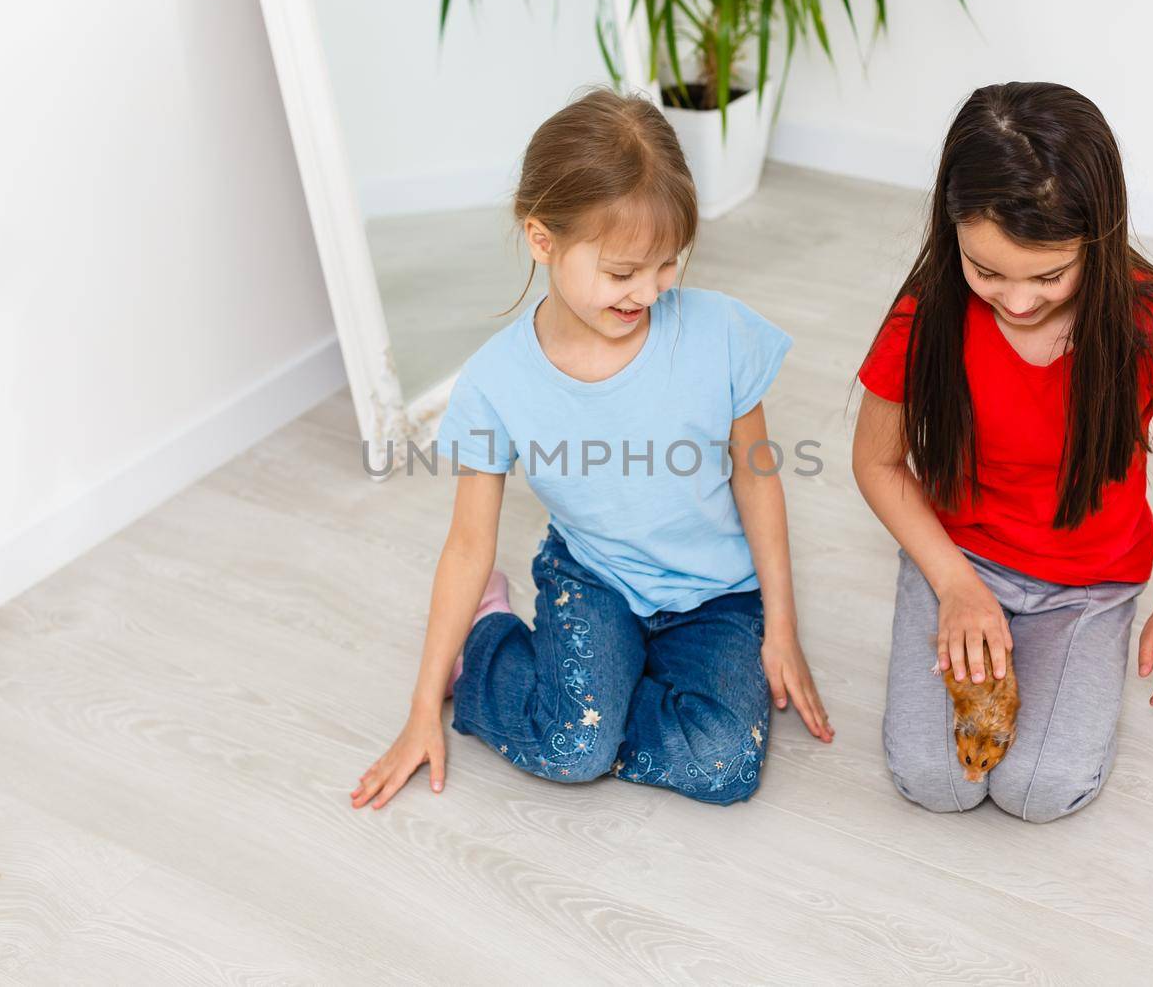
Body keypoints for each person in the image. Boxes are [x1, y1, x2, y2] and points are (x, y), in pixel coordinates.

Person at [352, 88, 831, 811]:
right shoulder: (495, 383)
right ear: (542, 240)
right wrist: (422, 705)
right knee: (573, 749)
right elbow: (466, 544)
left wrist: (783, 628)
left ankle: (600, 693)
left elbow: (758, 481)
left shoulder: (720, 335)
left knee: (727, 765)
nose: (649, 290)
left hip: (718, 597)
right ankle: (490, 645)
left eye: (668, 263)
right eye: (622, 272)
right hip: (596, 578)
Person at [851, 82, 1153, 822]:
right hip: (959, 557)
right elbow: (876, 461)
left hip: (1088, 584)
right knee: (935, 780)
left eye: (1049, 275)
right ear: (951, 229)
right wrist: (954, 584)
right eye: (985, 270)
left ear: (1100, 234)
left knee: (1038, 790)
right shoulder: (925, 314)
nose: (1017, 303)